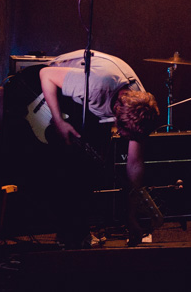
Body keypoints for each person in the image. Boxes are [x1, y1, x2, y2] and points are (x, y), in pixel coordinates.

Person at [35, 50, 160, 247]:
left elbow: (134, 167)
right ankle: (69, 234)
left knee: (95, 167)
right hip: (50, 84)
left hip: (95, 102)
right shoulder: (95, 87)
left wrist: (132, 218)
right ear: (116, 121)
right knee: (75, 167)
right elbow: (45, 74)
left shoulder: (139, 110)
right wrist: (58, 120)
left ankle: (79, 231)